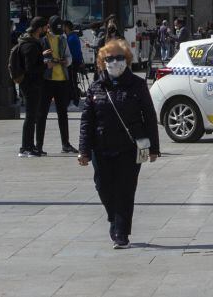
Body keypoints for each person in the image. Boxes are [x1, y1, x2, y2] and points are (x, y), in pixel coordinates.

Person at [77, 38, 160, 249]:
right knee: (103, 187)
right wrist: (83, 150)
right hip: (101, 146)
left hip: (129, 147)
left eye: (119, 58)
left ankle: (121, 233)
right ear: (102, 62)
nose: (115, 62)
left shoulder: (138, 85)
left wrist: (154, 149)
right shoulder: (96, 87)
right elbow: (87, 120)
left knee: (125, 189)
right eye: (110, 58)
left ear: (127, 60)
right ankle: (114, 218)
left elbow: (149, 117)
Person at [38, 16, 78, 154]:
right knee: (42, 114)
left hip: (62, 80)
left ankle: (65, 144)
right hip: (47, 81)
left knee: (63, 113)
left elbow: (69, 57)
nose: (58, 32)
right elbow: (38, 59)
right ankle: (39, 145)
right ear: (48, 27)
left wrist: (65, 62)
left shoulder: (62, 39)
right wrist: (47, 62)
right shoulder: (42, 40)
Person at [17, 16, 52, 157]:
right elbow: (30, 68)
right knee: (31, 117)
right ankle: (26, 148)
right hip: (31, 85)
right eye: (45, 27)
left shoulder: (30, 43)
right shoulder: (31, 45)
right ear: (39, 28)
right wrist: (45, 64)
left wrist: (41, 56)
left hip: (31, 84)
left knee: (32, 116)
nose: (46, 30)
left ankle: (29, 146)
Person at [63, 20, 85, 108]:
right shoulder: (72, 36)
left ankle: (74, 102)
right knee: (72, 82)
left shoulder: (71, 38)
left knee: (72, 82)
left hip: (73, 63)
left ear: (67, 27)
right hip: (73, 63)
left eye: (63, 26)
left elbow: (74, 53)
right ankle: (72, 101)